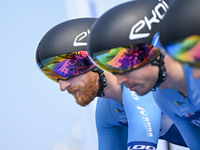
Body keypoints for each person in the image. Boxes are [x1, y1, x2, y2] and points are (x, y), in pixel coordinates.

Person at [36, 18, 187, 150]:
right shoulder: (106, 112)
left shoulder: (137, 92)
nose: (63, 86)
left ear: (92, 60)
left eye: (66, 70)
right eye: (54, 75)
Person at [87, 0, 200, 149]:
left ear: (153, 49)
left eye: (125, 64)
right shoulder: (162, 97)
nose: (119, 80)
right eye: (112, 70)